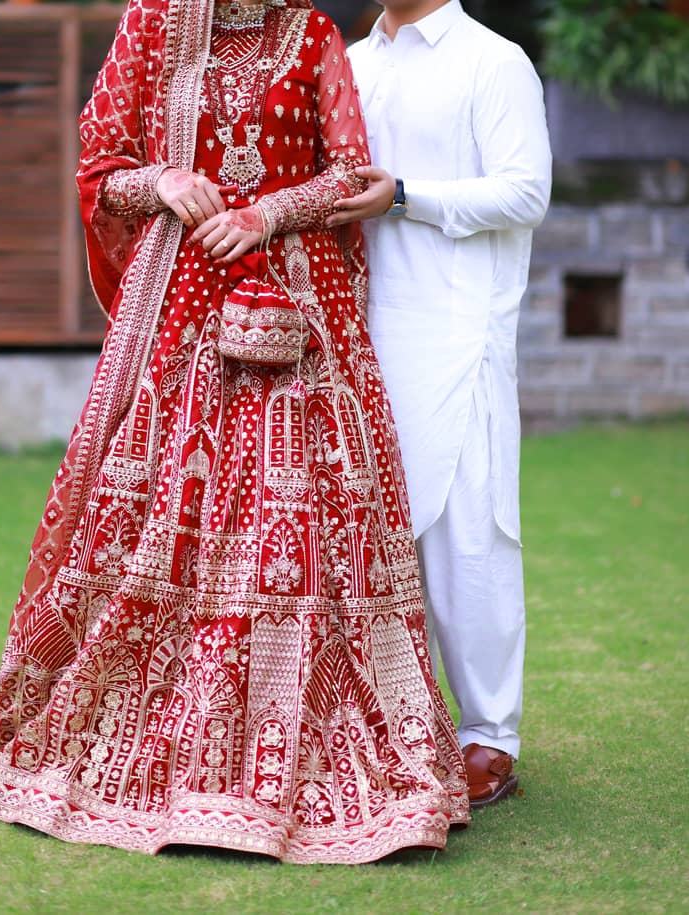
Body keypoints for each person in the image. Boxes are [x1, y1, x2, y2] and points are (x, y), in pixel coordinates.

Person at [0, 0, 469, 863]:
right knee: (158, 525)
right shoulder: (152, 23)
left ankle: (303, 755)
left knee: (299, 531)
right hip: (182, 312)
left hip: (301, 323)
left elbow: (349, 175)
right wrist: (165, 184)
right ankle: (152, 743)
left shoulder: (310, 33)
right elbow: (101, 163)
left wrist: (266, 215)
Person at [328, 0, 552, 808]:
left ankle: (489, 736)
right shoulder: (353, 62)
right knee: (362, 534)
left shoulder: (492, 62)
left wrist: (404, 196)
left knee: (469, 534)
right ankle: (374, 723)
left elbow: (526, 191)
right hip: (357, 330)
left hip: (458, 330)